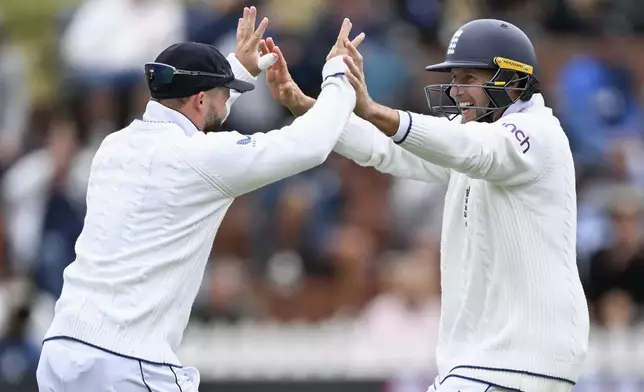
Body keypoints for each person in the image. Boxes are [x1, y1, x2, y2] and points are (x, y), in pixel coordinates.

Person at [36, 6, 363, 392]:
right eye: (226, 95)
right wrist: (339, 80)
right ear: (202, 99)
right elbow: (309, 145)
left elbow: (195, 115)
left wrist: (237, 70)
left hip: (61, 351)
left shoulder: (113, 147)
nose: (228, 104)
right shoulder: (201, 159)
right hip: (127, 363)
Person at [262, 19, 589, 392]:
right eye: (454, 78)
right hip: (487, 360)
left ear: (512, 82)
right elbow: (384, 148)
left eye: (468, 78)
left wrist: (373, 109)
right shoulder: (471, 134)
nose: (455, 90)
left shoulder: (536, 133)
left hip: (520, 356)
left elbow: (474, 150)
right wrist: (304, 105)